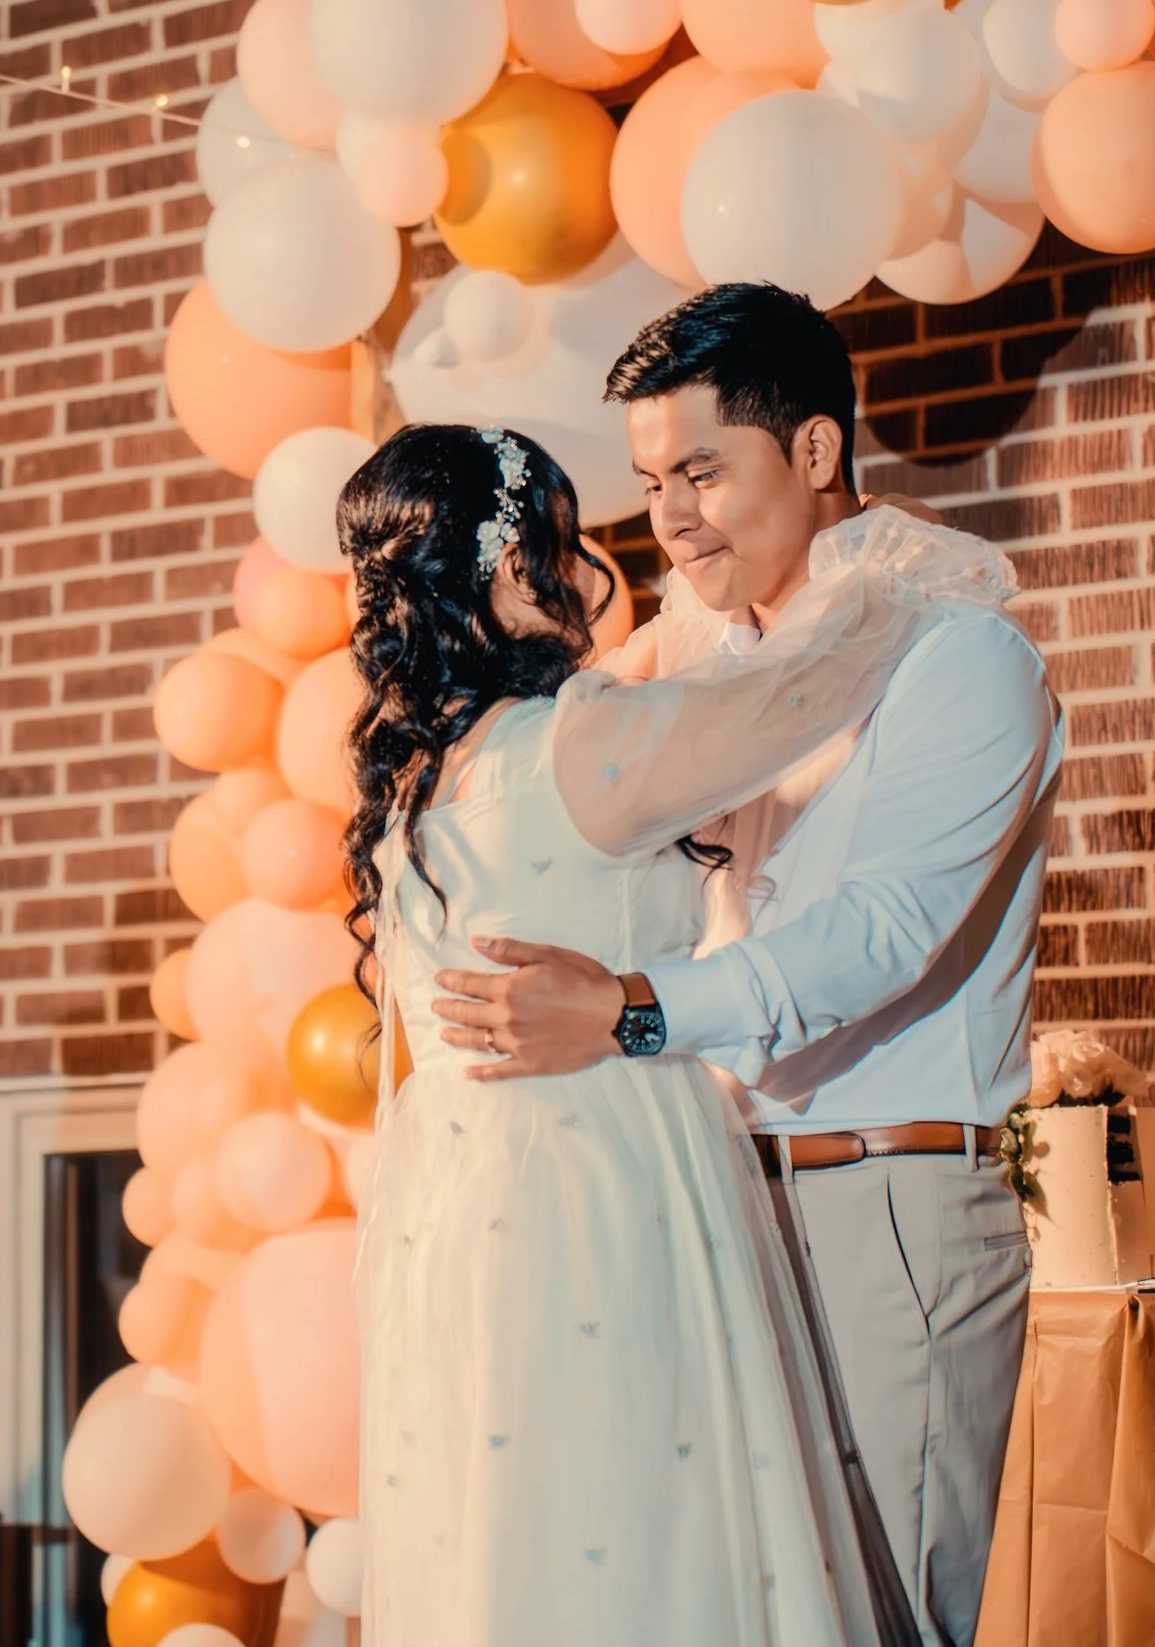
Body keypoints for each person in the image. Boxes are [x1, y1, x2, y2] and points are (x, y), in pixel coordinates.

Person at [433, 283, 1060, 1647]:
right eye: (655, 480)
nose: (670, 515)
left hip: (886, 1199)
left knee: (903, 1610)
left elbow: (884, 931)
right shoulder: (707, 680)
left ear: (820, 451)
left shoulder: (962, 658)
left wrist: (633, 1015)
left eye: (704, 469)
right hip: (715, 1206)